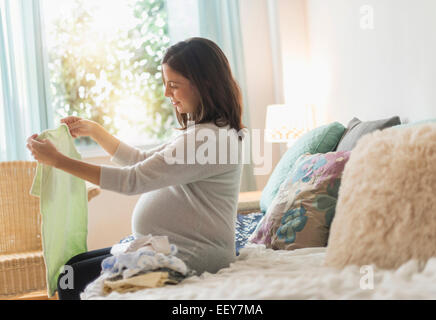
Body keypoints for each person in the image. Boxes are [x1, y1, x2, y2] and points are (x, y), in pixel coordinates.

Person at [26, 37, 247, 300]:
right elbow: (140, 159)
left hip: (192, 256)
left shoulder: (209, 140)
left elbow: (133, 180)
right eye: (165, 85)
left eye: (173, 85)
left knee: (69, 279)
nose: (166, 94)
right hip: (167, 247)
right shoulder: (203, 133)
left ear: (205, 83)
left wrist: (58, 161)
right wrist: (95, 131)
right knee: (71, 268)